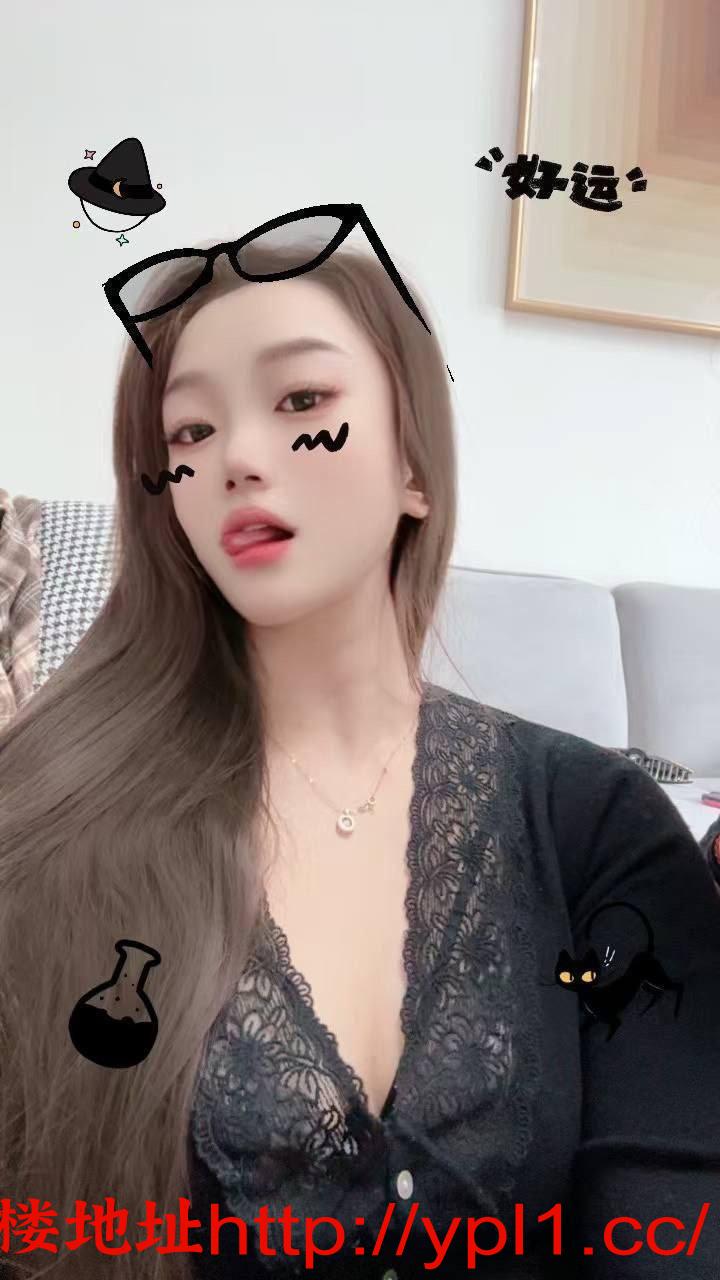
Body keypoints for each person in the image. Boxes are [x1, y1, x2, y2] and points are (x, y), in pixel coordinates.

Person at [2, 237, 720, 1280]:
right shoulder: (50, 816)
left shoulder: (596, 824)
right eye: (191, 430)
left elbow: (673, 1221)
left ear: (414, 466)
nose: (239, 457)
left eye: (301, 400)